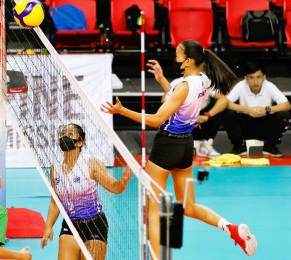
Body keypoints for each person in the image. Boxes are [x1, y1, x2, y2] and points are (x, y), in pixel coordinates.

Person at [101, 40, 257, 258]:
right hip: (185, 146)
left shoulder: (184, 86)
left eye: (178, 54)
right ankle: (230, 227)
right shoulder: (203, 81)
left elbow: (156, 119)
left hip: (167, 146)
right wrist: (162, 79)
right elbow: (180, 99)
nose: (175, 58)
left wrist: (121, 110)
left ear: (189, 60)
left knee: (153, 212)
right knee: (189, 206)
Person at [40, 123, 132, 259]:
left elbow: (114, 187)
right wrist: (48, 226)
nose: (64, 136)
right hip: (71, 224)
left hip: (94, 224)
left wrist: (123, 180)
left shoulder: (91, 164)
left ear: (79, 142)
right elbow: (55, 202)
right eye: (63, 133)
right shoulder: (55, 168)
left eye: (70, 134)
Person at [223, 61, 291, 157]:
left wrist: (266, 109)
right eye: (251, 78)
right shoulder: (241, 85)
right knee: (227, 113)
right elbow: (225, 103)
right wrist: (247, 109)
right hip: (245, 125)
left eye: (258, 77)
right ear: (246, 78)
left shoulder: (269, 86)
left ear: (264, 77)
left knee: (284, 115)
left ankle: (270, 145)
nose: (255, 82)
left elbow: (287, 105)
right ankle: (239, 146)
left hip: (265, 125)